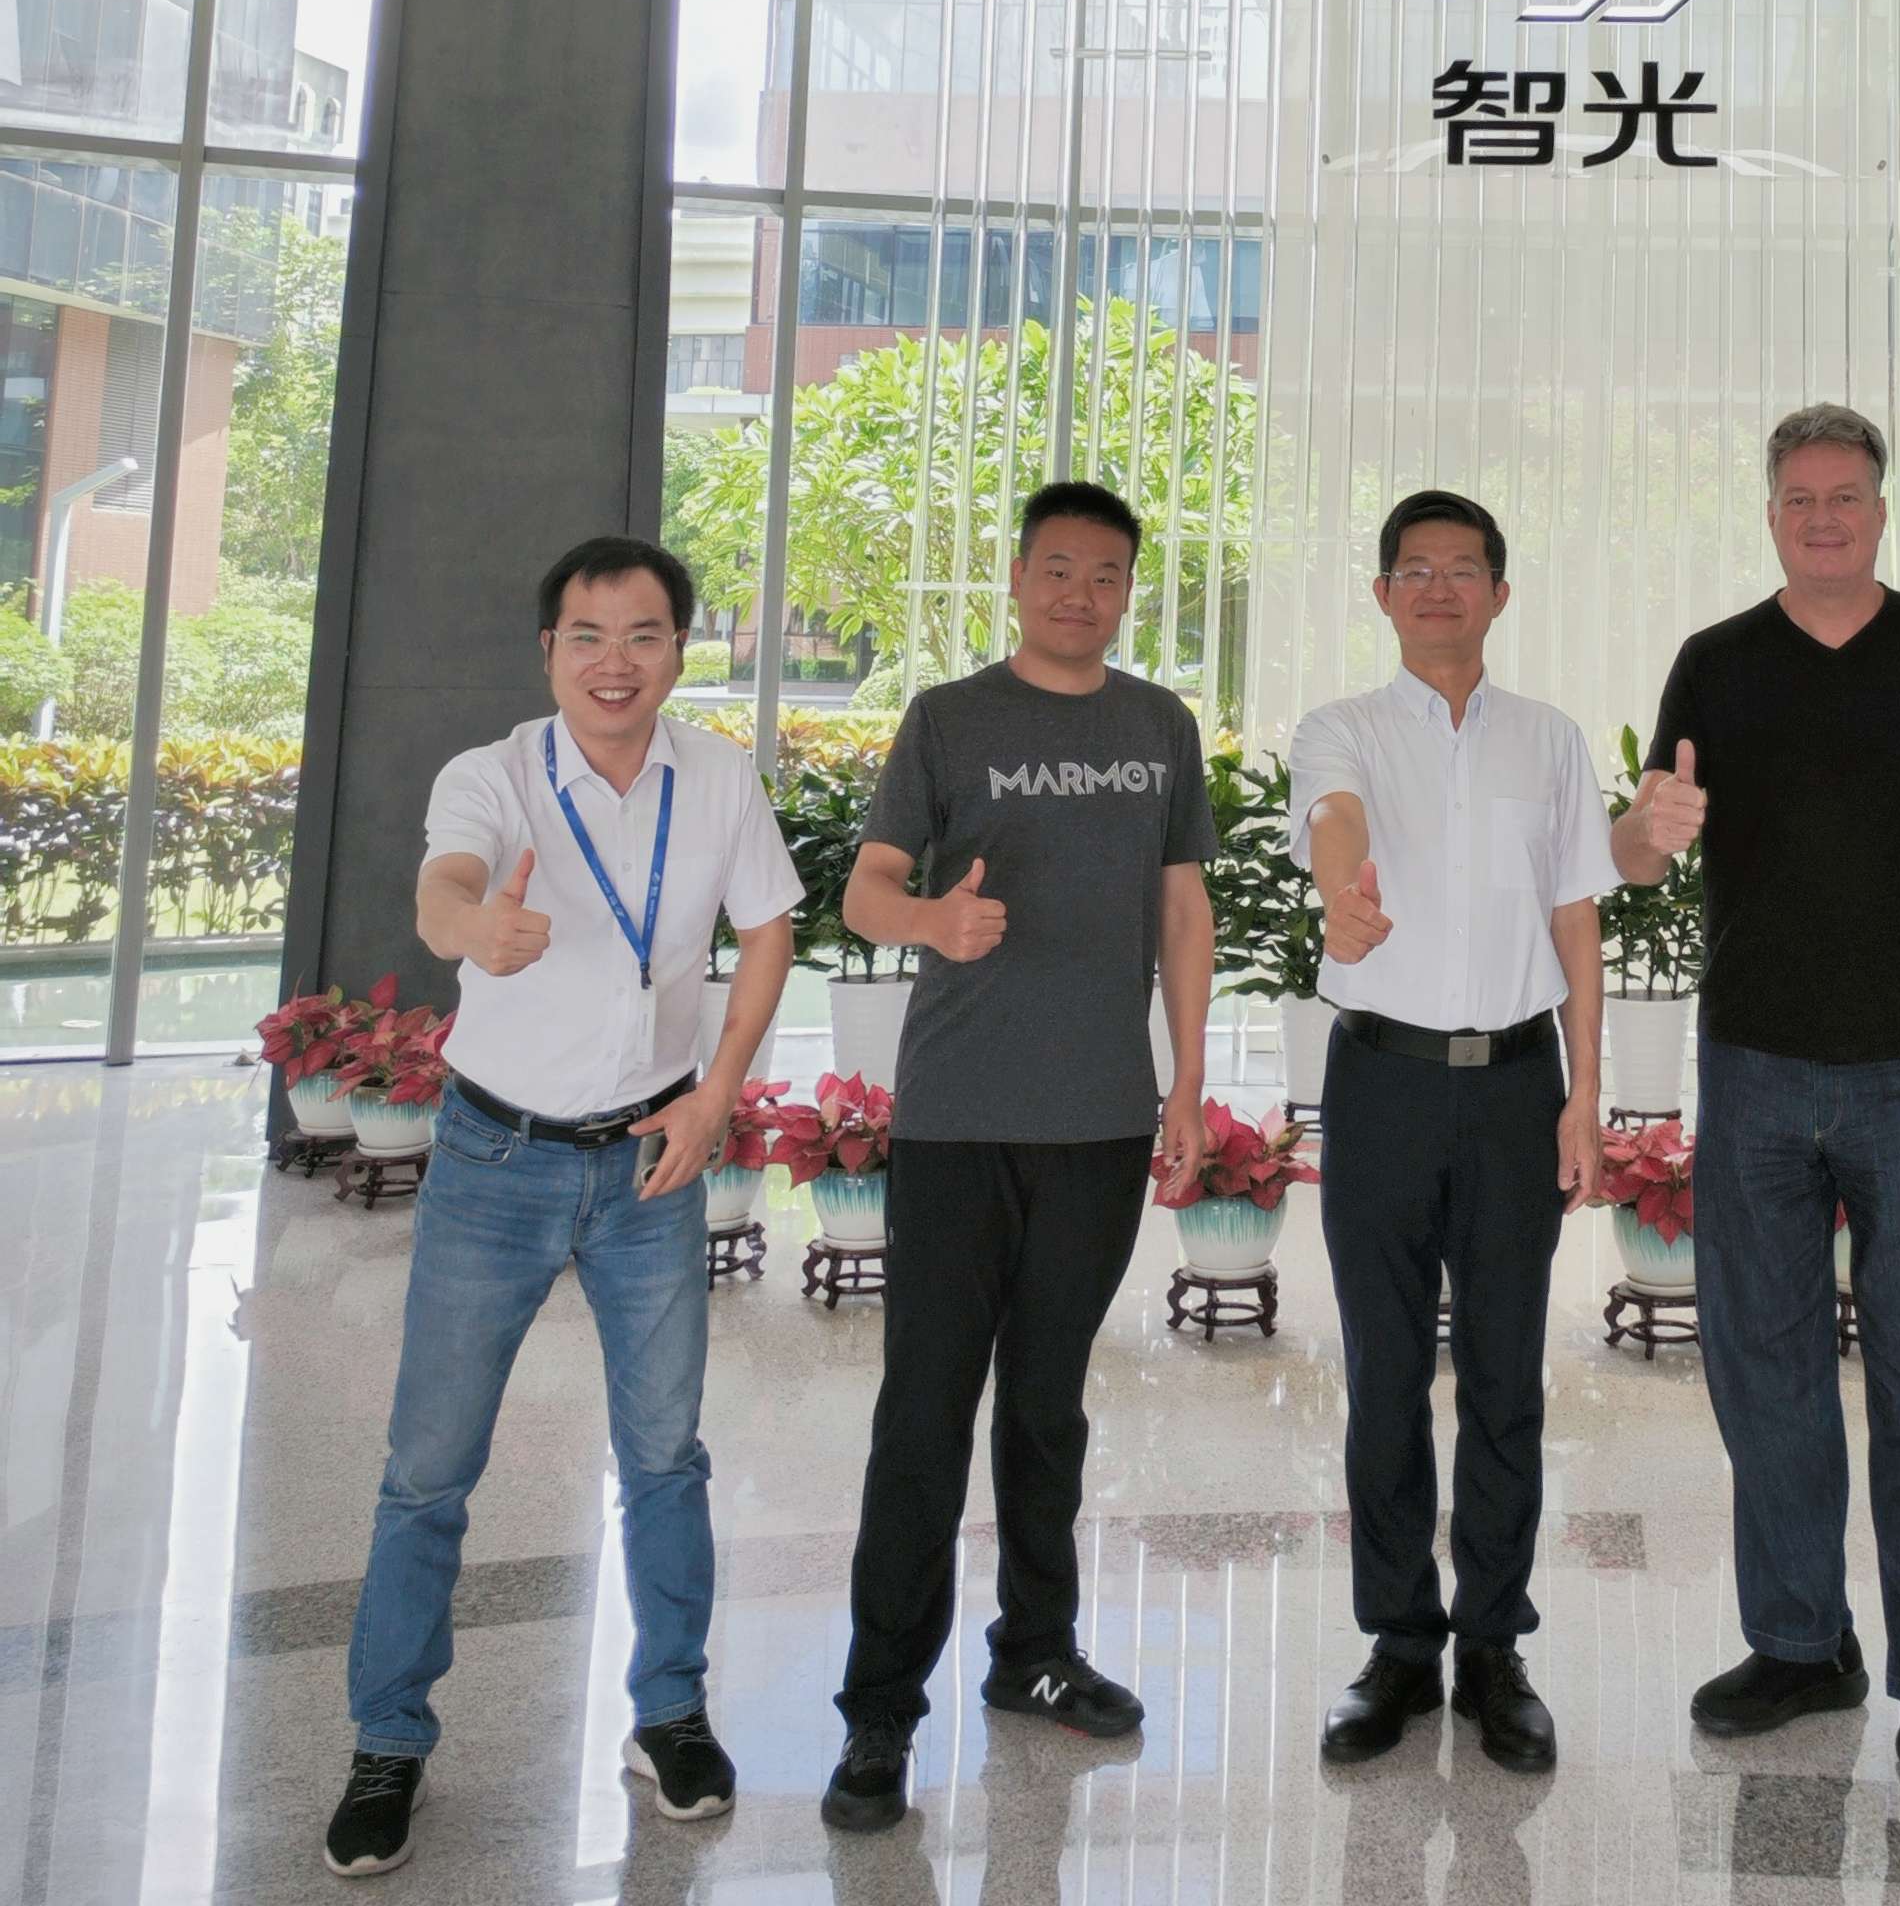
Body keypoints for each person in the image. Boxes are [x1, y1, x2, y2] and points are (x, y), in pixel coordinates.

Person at [324, 537, 802, 1880]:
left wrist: (716, 1097)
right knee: (429, 1468)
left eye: (643, 636)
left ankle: (671, 1713)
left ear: (679, 652)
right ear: (550, 652)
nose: (614, 663)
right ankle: (388, 1739)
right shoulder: (494, 775)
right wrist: (470, 928)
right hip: (497, 1161)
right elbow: (445, 886)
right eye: (587, 637)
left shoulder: (718, 778)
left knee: (665, 1458)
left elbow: (768, 930)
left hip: (651, 1159)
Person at [1611, 403, 1900, 1841]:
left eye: (1846, 495)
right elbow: (1646, 849)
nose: (1825, 517)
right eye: (1800, 498)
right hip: (1754, 1070)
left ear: (1882, 508)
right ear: (1771, 513)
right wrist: (1645, 837)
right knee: (1766, 1374)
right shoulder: (1716, 662)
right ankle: (1801, 1642)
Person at [820, 480, 1217, 1832]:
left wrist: (1187, 1081)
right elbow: (866, 889)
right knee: (925, 1413)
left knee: (1048, 1408)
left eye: (1105, 576)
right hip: (958, 1120)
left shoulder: (1159, 728)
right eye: (1057, 570)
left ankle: (1034, 1653)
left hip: (1100, 1121)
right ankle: (881, 1706)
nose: (1079, 594)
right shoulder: (949, 717)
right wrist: (931, 921)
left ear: (1127, 592)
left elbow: (1182, 909)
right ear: (1016, 577)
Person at [1287, 491, 1617, 1773]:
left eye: (1462, 568)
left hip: (1517, 1087)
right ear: (1382, 595)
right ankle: (1397, 1643)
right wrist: (1343, 895)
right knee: (1383, 1372)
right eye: (1413, 569)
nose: (1438, 587)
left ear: (1499, 593)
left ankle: (1493, 1646)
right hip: (1383, 1079)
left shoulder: (1550, 739)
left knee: (1503, 1374)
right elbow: (1336, 816)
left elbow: (1578, 916)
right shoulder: (1344, 726)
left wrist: (1584, 1093)